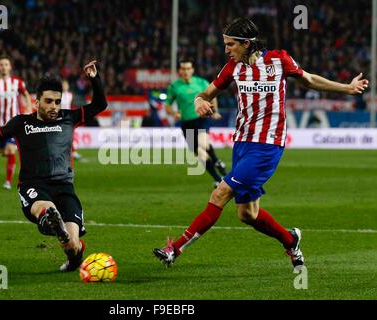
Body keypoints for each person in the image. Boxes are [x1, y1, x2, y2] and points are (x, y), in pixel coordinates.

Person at [153, 18, 369, 268]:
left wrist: (347, 88)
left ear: (246, 43)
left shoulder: (279, 60)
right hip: (242, 143)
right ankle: (290, 240)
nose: (226, 49)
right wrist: (198, 102)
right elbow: (205, 94)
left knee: (220, 192)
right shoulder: (233, 67)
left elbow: (309, 80)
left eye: (230, 44)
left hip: (267, 146)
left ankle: (175, 249)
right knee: (248, 214)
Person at [0, 60, 107, 272]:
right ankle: (51, 219)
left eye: (57, 102)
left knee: (72, 246)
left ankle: (73, 257)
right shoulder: (21, 123)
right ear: (36, 102)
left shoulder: (69, 118)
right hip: (33, 186)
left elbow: (100, 105)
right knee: (46, 210)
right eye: (48, 101)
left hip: (65, 187)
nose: (53, 106)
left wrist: (94, 78)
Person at [166, 60, 227, 188]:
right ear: (179, 71)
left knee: (203, 144)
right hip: (186, 123)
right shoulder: (174, 86)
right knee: (199, 153)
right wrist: (173, 113)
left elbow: (212, 95)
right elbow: (167, 105)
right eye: (183, 69)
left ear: (192, 70)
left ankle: (216, 161)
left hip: (201, 119)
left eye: (188, 68)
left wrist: (215, 111)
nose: (185, 71)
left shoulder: (201, 82)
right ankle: (218, 179)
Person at [0, 55, 33, 190]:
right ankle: (6, 156)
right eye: (1, 64)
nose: (3, 66)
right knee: (3, 151)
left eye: (6, 64)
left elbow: (26, 94)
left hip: (13, 122)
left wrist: (28, 106)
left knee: (11, 150)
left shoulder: (17, 82)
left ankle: (8, 181)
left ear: (10, 67)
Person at [61, 79, 83, 161]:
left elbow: (72, 106)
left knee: (71, 136)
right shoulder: (59, 95)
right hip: (61, 118)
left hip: (69, 118)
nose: (65, 87)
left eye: (66, 85)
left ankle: (73, 152)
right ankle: (65, 153)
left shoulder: (70, 95)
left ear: (68, 86)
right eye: (63, 85)